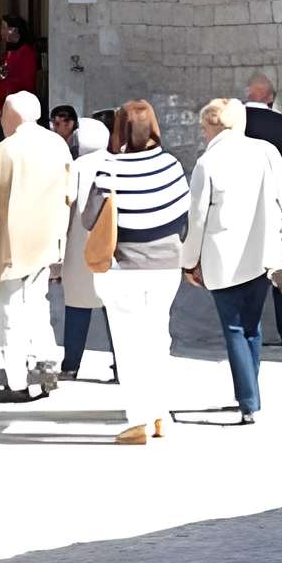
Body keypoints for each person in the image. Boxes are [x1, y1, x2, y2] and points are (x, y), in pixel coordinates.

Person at [81, 100, 191, 445]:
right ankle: (160, 413)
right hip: (165, 266)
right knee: (159, 336)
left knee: (129, 344)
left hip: (123, 267)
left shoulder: (110, 168)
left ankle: (139, 419)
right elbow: (182, 214)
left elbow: (90, 219)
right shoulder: (171, 165)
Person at [181, 96, 282, 425]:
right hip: (261, 251)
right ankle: (250, 393)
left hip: (223, 256)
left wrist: (189, 261)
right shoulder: (265, 151)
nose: (203, 134)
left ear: (215, 126)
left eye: (204, 128)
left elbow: (197, 218)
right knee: (251, 327)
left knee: (233, 328)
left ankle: (248, 400)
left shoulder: (208, 162)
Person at [0, 92, 74, 403]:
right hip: (47, 239)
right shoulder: (57, 145)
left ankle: (17, 381)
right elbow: (69, 193)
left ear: (12, 117)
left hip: (10, 244)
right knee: (37, 302)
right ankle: (45, 366)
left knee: (9, 311)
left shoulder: (4, 151)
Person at [244, 72, 282, 348]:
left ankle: (246, 330)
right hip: (274, 207)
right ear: (271, 98)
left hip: (241, 208)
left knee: (247, 272)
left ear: (248, 94)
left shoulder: (235, 123)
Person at [58, 116, 119, 382]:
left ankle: (71, 366)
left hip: (77, 247)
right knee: (115, 311)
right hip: (112, 248)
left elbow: (65, 204)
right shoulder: (118, 164)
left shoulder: (76, 166)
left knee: (76, 307)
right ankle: (121, 366)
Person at [0, 14, 40, 154]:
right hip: (3, 108)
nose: (1, 32)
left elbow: (26, 82)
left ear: (14, 30)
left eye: (4, 28)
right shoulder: (7, 52)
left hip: (17, 109)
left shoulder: (27, 53)